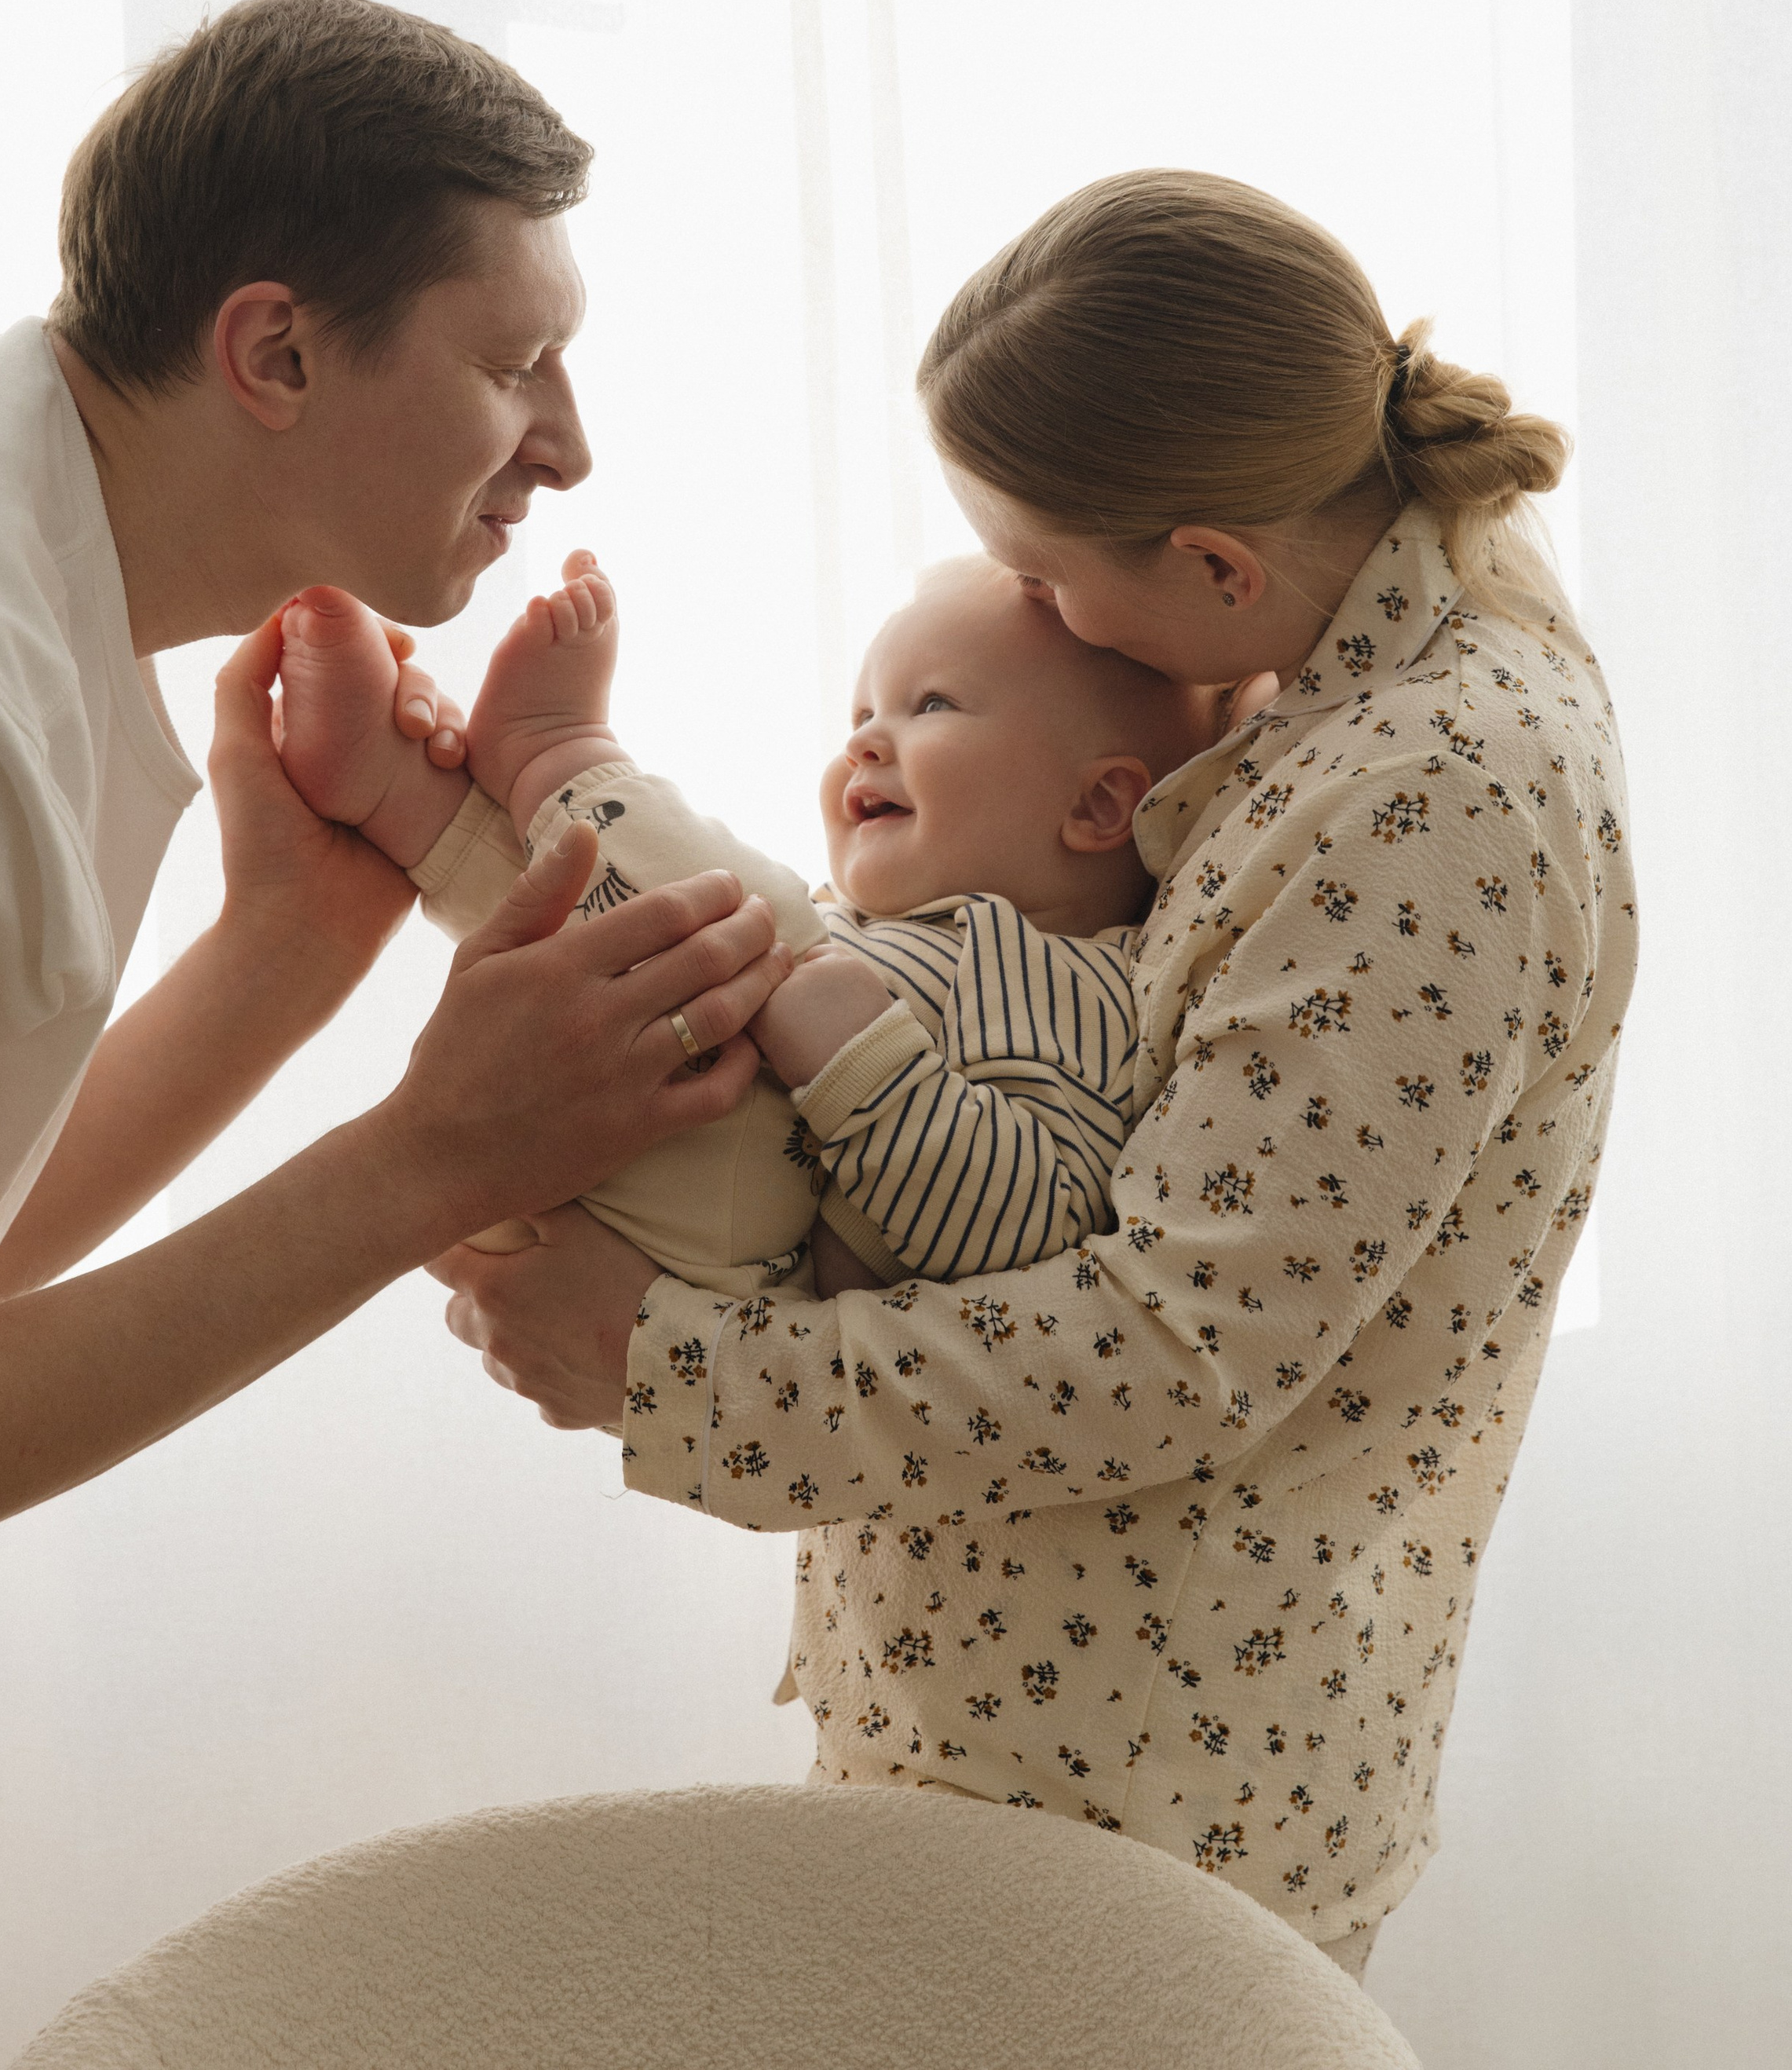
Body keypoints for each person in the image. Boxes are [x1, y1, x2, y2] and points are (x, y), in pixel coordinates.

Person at [434, 168, 1637, 1981]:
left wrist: (671, 1371)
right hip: (1041, 1723)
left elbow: (1179, 1345)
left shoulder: (1430, 783)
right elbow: (994, 1038)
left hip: (1141, 1793)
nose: (1028, 610)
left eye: (1043, 573)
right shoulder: (1326, 668)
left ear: (1214, 566)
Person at [0, 0, 791, 1618]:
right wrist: (427, 1161)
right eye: (515, 363)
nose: (571, 450)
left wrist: (285, 951)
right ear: (274, 350)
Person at [275, 548, 1227, 1296]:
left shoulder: (1080, 988)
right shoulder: (866, 929)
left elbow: (1029, 1236)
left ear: (1100, 809)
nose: (861, 739)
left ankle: (557, 757)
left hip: (756, 1244)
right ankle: (406, 802)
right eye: (862, 710)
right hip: (588, 1154)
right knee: (629, 934)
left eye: (931, 704)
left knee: (751, 924)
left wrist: (859, 1058)